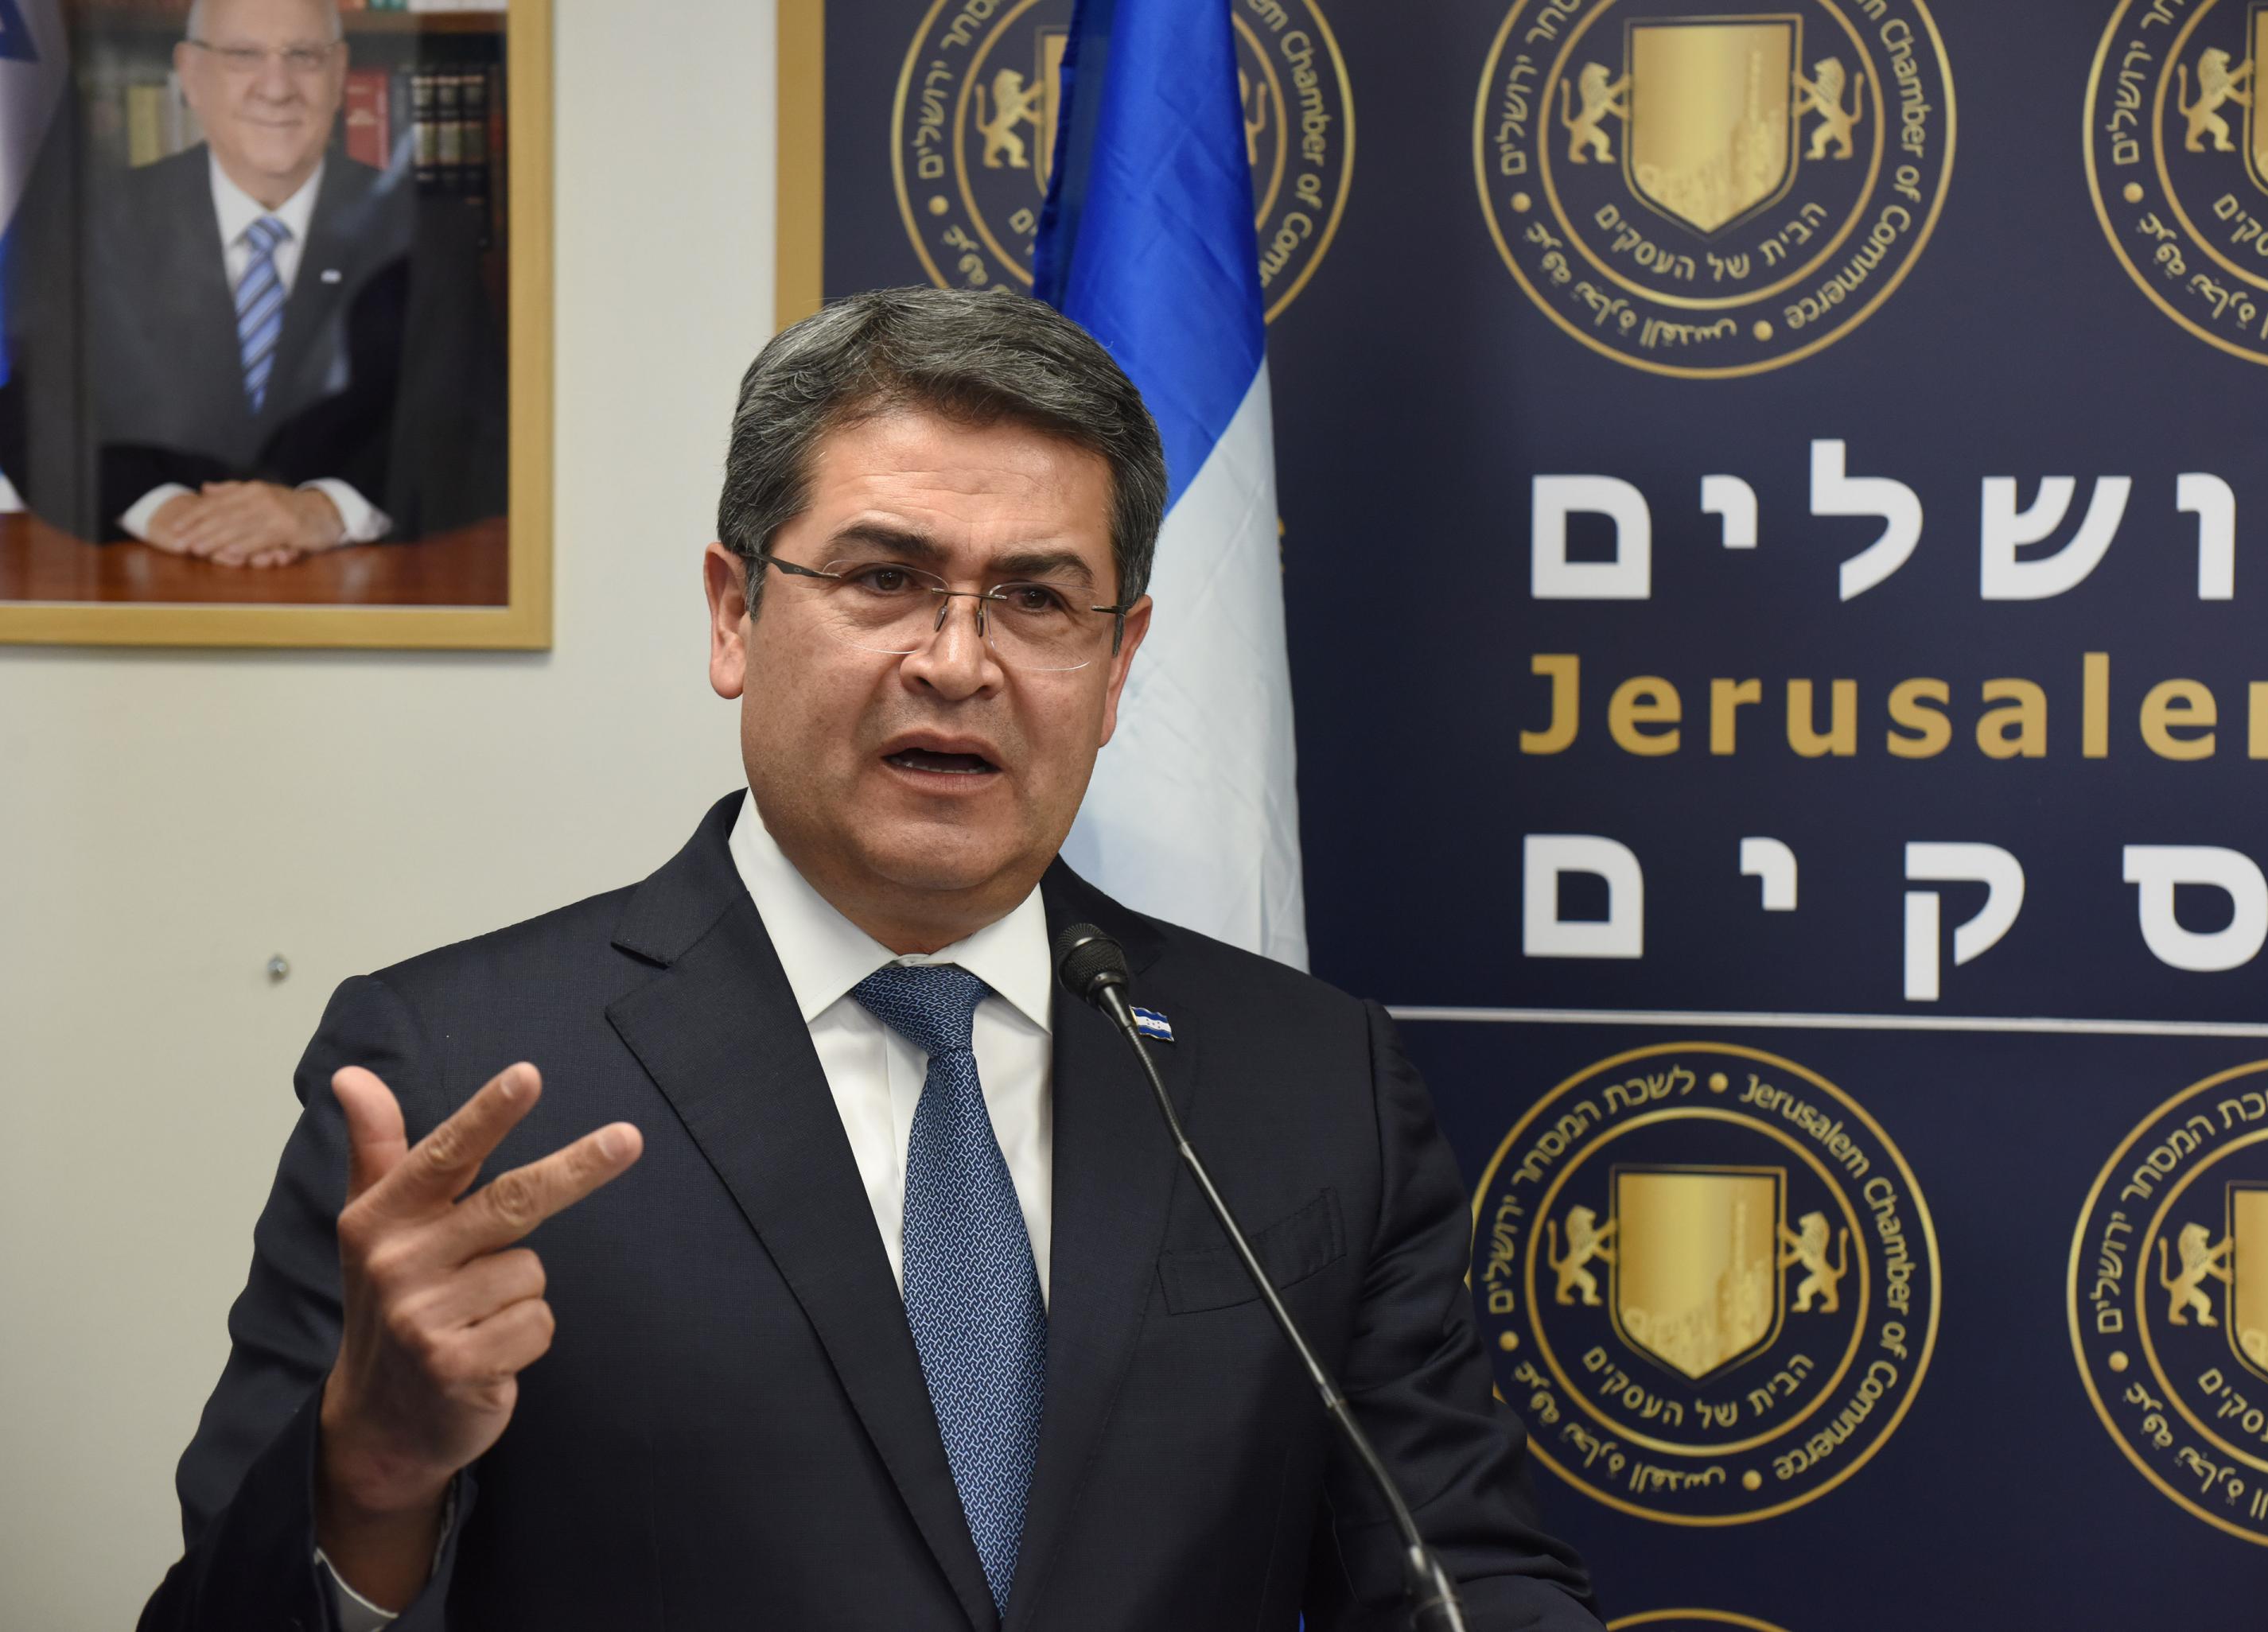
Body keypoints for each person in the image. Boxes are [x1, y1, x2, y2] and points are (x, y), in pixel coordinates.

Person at [138, 286, 1601, 1630]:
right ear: (735, 610)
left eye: (1037, 599)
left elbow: (1455, 1571)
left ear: (1119, 663)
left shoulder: (1309, 1079)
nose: (958, 661)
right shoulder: (454, 1071)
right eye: (887, 576)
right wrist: (369, 1475)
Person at [0, 0, 501, 563]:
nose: (277, 87)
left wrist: (324, 511)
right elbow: (35, 420)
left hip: (358, 600)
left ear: (339, 76)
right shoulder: (99, 225)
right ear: (191, 75)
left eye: (303, 57)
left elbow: (473, 432)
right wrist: (163, 510)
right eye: (243, 56)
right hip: (152, 590)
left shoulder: (428, 232)